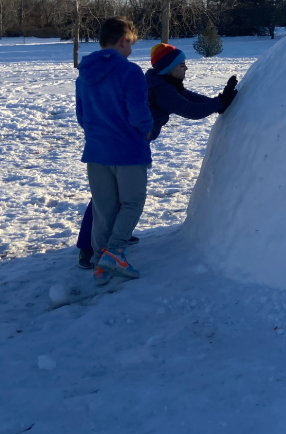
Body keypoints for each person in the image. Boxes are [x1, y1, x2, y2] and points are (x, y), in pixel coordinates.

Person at [75, 42, 238, 268]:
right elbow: (190, 109)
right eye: (182, 65)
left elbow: (189, 97)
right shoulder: (162, 89)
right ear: (168, 68)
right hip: (130, 142)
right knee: (111, 199)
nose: (186, 69)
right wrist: (220, 103)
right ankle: (89, 247)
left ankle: (113, 236)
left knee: (111, 197)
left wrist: (219, 101)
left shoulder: (159, 80)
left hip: (119, 141)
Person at [75, 17, 152, 285]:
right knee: (132, 202)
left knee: (103, 208)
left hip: (96, 152)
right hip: (128, 151)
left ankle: (99, 263)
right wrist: (147, 129)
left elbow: (82, 116)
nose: (132, 49)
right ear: (124, 40)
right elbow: (139, 115)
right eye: (132, 42)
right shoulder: (130, 72)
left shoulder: (84, 74)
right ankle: (115, 252)